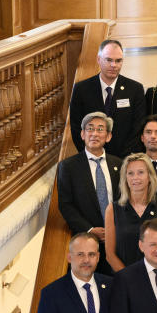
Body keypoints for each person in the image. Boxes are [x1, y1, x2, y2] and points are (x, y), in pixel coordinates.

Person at [58, 111, 122, 275]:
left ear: (108, 136)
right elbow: (66, 205)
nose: (94, 133)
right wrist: (90, 229)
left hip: (118, 239)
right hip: (87, 243)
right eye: (90, 129)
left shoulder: (120, 164)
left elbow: (125, 199)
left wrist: (115, 227)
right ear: (82, 134)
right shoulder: (69, 166)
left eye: (100, 129)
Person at [69, 39, 145, 157]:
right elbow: (76, 127)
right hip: (92, 159)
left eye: (118, 61)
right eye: (109, 60)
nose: (113, 65)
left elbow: (138, 128)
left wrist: (124, 158)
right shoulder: (81, 89)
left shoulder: (135, 89)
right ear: (99, 60)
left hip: (125, 159)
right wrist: (92, 155)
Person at [104, 153, 157, 272]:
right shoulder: (112, 209)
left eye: (141, 172)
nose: (135, 177)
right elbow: (110, 255)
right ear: (125, 178)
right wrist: (130, 280)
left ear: (150, 176)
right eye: (130, 173)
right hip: (124, 281)